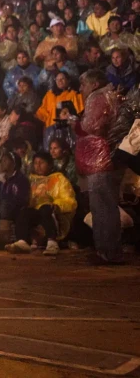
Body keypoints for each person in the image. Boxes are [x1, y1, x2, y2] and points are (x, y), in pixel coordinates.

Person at [75, 70, 123, 264]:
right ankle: (107, 250)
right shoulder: (109, 95)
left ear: (94, 84)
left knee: (102, 206)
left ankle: (107, 252)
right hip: (107, 157)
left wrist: (75, 123)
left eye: (83, 84)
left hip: (101, 159)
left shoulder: (98, 98)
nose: (80, 89)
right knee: (105, 205)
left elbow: (91, 126)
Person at [5, 152, 77, 256]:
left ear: (50, 164)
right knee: (25, 211)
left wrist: (57, 205)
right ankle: (23, 241)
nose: (38, 166)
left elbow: (69, 200)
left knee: (45, 208)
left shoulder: (59, 178)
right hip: (36, 213)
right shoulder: (31, 180)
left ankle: (52, 242)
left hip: (53, 213)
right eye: (35, 163)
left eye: (41, 163)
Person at [0, 150, 31, 246]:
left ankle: (5, 234)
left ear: (14, 164)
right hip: (2, 209)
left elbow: (22, 199)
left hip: (16, 209)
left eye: (5, 160)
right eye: (2, 161)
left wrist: (5, 203)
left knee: (5, 204)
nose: (2, 163)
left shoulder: (21, 179)